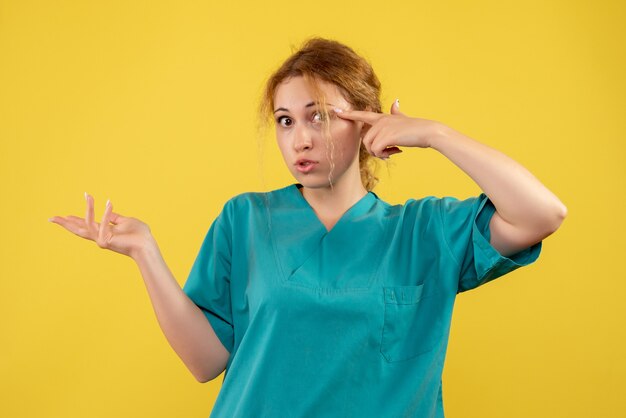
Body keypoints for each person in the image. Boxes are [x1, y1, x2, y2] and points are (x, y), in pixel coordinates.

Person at [49, 37, 567, 417]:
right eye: (285, 120)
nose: (300, 139)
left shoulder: (424, 231)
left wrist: (435, 133)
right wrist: (145, 252)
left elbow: (542, 213)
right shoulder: (246, 219)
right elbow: (206, 361)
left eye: (319, 116)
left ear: (365, 120)